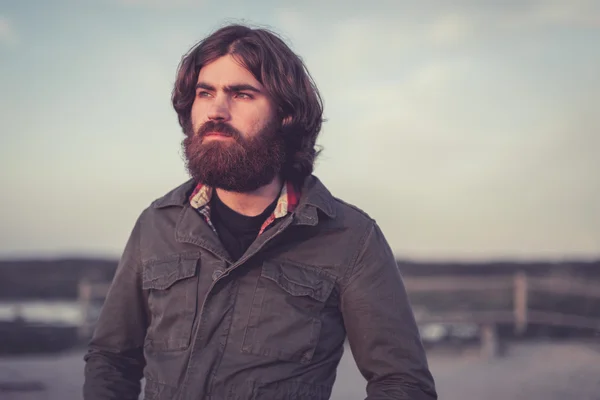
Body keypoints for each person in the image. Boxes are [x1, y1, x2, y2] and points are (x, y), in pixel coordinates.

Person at [83, 23, 437, 400]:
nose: (217, 110)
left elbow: (402, 383)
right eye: (205, 93)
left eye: (242, 94)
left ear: (285, 114)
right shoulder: (157, 223)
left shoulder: (351, 238)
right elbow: (111, 358)